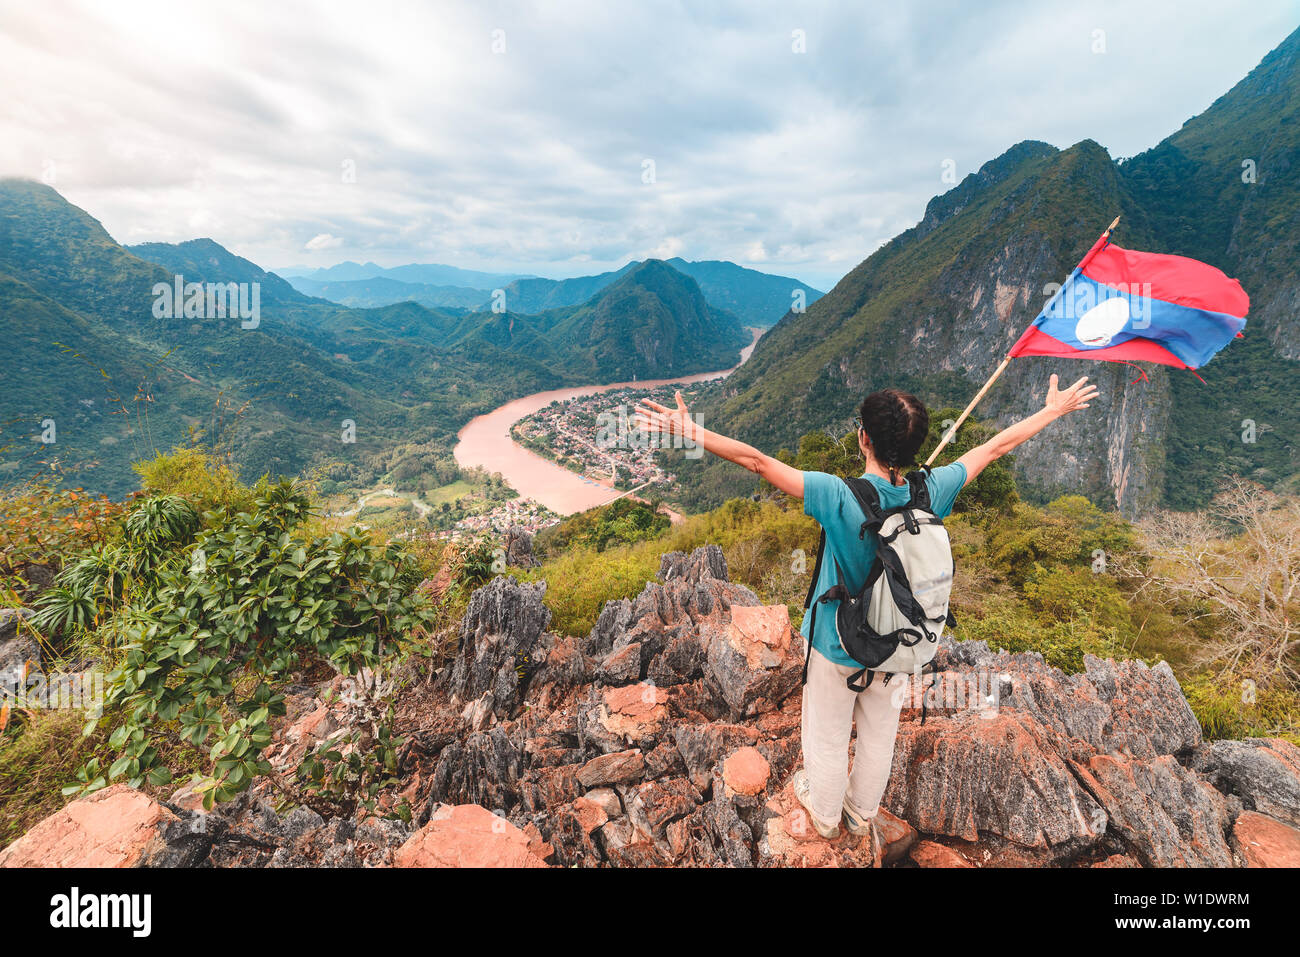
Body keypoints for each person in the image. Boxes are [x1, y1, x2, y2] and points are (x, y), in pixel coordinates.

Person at [635, 373, 1099, 842]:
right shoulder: (931, 490)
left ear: (863, 439)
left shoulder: (838, 494)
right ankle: (861, 815)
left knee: (829, 734)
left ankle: (825, 814)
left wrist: (691, 431)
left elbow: (756, 462)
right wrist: (1052, 411)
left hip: (839, 643)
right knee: (880, 733)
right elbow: (994, 448)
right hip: (901, 643)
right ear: (916, 446)